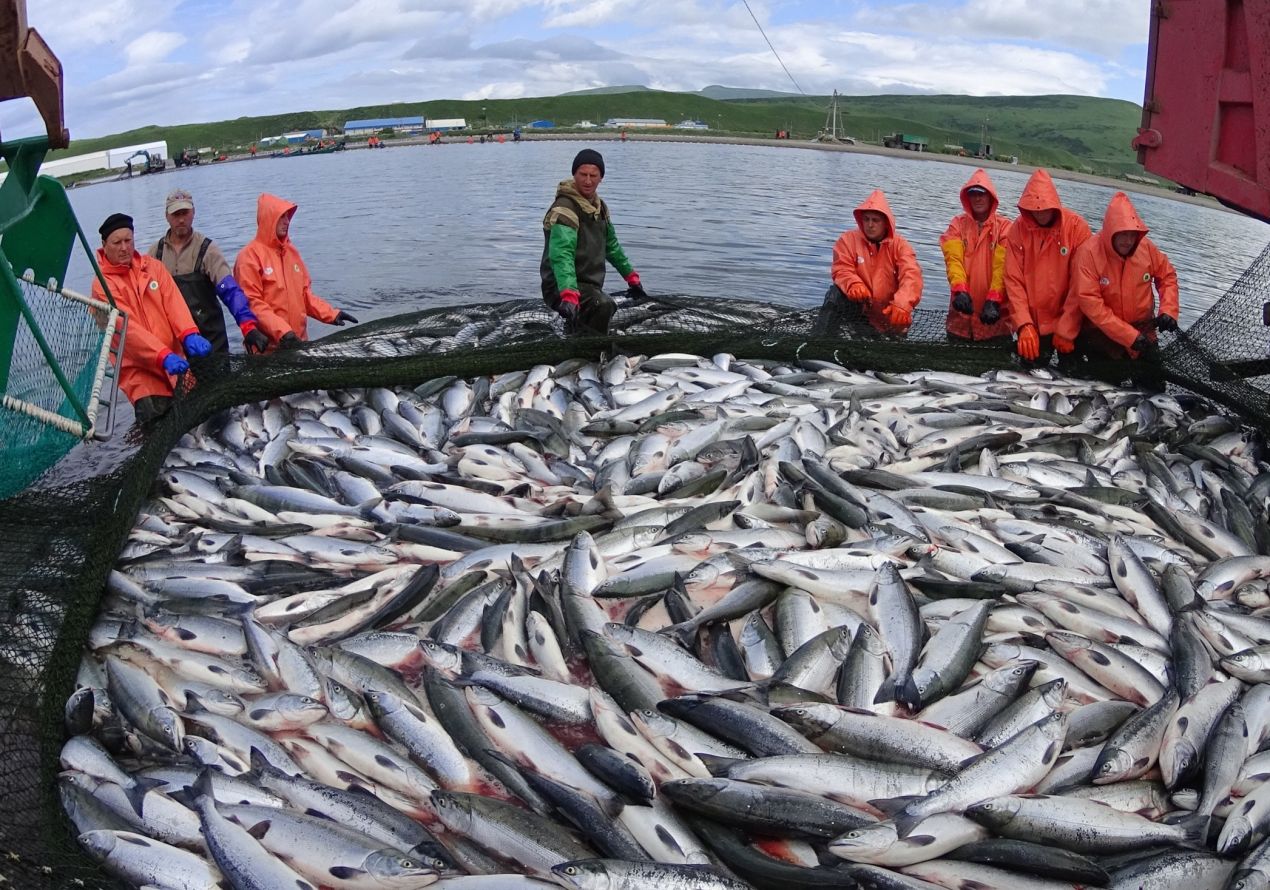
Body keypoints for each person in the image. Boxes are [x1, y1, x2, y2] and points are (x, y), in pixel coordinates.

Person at [90, 213, 212, 423]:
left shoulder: (153, 267)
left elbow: (175, 305)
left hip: (177, 364)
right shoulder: (101, 286)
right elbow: (127, 332)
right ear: (104, 244)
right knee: (157, 429)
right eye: (117, 242)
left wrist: (189, 333)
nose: (124, 248)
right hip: (141, 376)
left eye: (128, 240)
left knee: (198, 422)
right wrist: (162, 355)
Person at [147, 189, 269, 355]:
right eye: (176, 214)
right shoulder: (155, 254)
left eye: (185, 213)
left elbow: (230, 290)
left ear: (194, 212)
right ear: (166, 216)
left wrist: (247, 325)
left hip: (211, 340)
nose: (181, 219)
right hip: (174, 345)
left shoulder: (208, 250)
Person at [540, 148, 645, 336]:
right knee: (604, 305)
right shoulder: (565, 208)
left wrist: (631, 277)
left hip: (587, 286)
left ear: (601, 178)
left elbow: (611, 246)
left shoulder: (600, 207)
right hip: (560, 286)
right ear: (574, 174)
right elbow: (562, 254)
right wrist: (568, 293)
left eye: (593, 175)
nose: (588, 181)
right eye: (583, 174)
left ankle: (577, 335)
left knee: (599, 305)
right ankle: (589, 353)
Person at [233, 194, 358, 349]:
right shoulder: (249, 257)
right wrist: (284, 332)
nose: (287, 221)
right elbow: (252, 303)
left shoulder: (291, 253)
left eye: (288, 216)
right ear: (268, 218)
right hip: (268, 350)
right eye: (281, 217)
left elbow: (305, 295)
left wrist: (332, 314)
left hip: (298, 343)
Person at [1069, 191, 1179, 359]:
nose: (1128, 241)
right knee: (1103, 382)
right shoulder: (1088, 253)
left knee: (1153, 385)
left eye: (1132, 234)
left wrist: (1169, 310)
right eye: (1122, 234)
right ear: (1110, 231)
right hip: (1103, 336)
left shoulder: (1146, 248)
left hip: (1144, 332)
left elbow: (1167, 276)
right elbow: (1091, 304)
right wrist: (1128, 336)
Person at [1003, 168, 1092, 363]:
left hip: (1071, 324)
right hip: (1034, 325)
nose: (1039, 212)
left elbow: (1083, 283)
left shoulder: (1078, 228)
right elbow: (1013, 280)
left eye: (1044, 207)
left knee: (1074, 375)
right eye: (1034, 208)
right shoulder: (1018, 229)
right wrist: (1023, 324)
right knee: (1028, 373)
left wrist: (1067, 327)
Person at [816, 189, 923, 335]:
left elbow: (911, 276)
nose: (870, 225)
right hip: (857, 313)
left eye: (875, 220)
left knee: (899, 318)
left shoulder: (901, 246)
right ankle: (821, 341)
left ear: (886, 222)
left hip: (890, 318)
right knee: (835, 293)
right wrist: (853, 283)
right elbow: (841, 269)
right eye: (866, 219)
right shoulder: (848, 240)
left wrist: (902, 304)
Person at [939, 170, 1011, 342]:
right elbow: (953, 260)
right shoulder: (957, 224)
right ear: (967, 198)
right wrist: (959, 291)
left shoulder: (1005, 228)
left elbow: (1003, 268)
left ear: (991, 197)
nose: (977, 198)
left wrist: (994, 300)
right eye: (973, 194)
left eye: (982, 193)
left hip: (995, 323)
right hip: (960, 322)